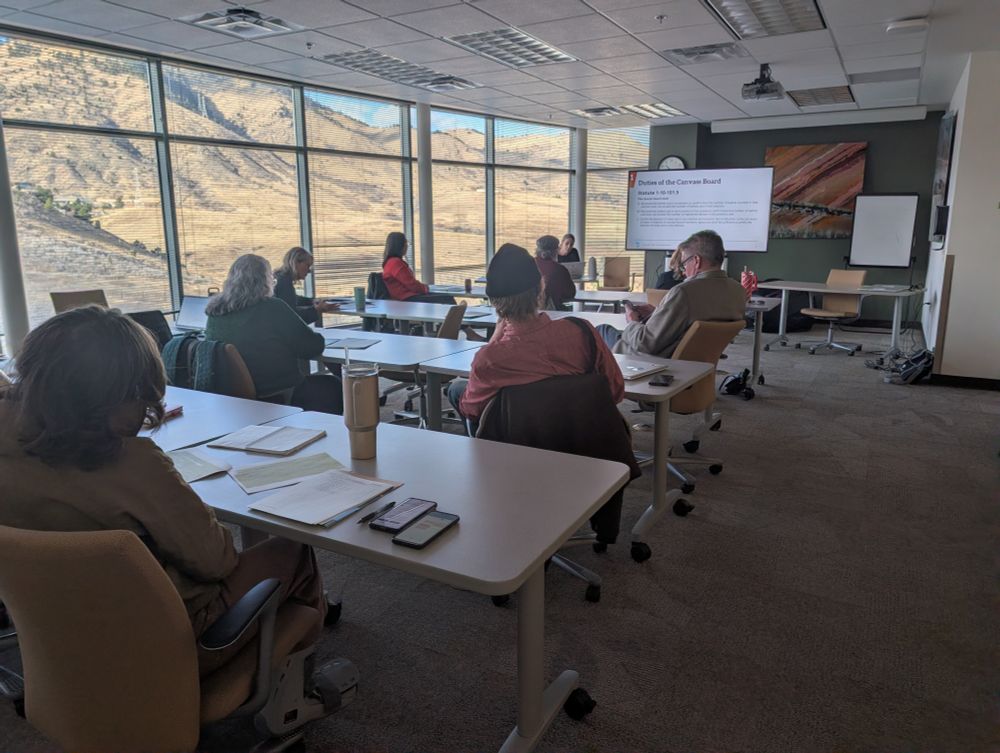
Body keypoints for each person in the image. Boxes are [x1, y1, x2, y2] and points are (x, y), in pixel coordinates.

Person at [0, 306, 327, 670]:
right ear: (119, 393)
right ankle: (293, 686)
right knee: (293, 550)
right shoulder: (132, 463)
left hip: (56, 639)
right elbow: (217, 561)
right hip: (166, 641)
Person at [448, 243, 623, 434]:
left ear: (493, 302)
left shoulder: (490, 360)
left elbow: (471, 410)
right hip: (585, 447)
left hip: (518, 452)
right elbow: (615, 390)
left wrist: (493, 343)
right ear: (541, 286)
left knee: (457, 390)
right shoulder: (583, 332)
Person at [206, 254, 343, 414]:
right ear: (265, 280)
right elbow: (313, 346)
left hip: (231, 401)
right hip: (276, 393)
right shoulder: (272, 308)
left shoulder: (214, 312)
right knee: (334, 385)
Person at [597, 230, 746, 358]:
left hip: (657, 362)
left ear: (696, 261)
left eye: (684, 263)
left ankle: (603, 386)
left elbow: (645, 344)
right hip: (697, 365)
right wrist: (658, 312)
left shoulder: (684, 292)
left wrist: (632, 321)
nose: (683, 270)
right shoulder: (738, 291)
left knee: (601, 330)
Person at [381, 232, 457, 304]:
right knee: (448, 299)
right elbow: (411, 284)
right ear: (399, 246)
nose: (407, 246)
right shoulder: (395, 263)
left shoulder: (390, 262)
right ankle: (455, 317)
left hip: (408, 297)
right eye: (405, 243)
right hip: (407, 299)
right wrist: (426, 288)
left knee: (444, 297)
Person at [274, 246, 340, 325]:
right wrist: (316, 310)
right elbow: (291, 317)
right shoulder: (284, 282)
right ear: (296, 263)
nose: (309, 271)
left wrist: (312, 301)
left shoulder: (279, 277)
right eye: (307, 265)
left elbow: (292, 299)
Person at [534, 234, 576, 309]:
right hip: (551, 312)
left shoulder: (527, 265)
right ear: (556, 251)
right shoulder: (560, 270)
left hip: (527, 312)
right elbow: (570, 293)